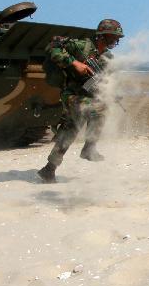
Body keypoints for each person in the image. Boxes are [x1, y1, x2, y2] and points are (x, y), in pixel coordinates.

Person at [37, 19, 124, 183]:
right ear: (102, 36)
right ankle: (89, 148)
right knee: (98, 109)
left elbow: (104, 81)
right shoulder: (81, 46)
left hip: (86, 94)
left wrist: (112, 91)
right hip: (71, 94)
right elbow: (53, 47)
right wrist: (74, 62)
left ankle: (48, 170)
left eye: (117, 38)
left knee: (69, 132)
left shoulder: (107, 57)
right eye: (113, 37)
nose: (116, 41)